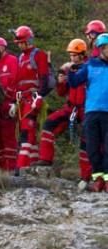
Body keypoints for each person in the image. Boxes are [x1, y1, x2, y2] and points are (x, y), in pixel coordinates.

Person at [34, 39, 90, 184]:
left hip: (86, 109)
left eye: (75, 54)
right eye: (71, 54)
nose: (72, 57)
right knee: (49, 124)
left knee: (87, 140)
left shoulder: (90, 67)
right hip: (71, 107)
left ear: (83, 54)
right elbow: (61, 92)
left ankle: (86, 176)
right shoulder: (68, 69)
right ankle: (45, 159)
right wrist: (60, 81)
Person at [68, 33, 108, 191]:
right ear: (101, 49)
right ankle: (98, 178)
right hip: (91, 113)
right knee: (91, 149)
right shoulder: (91, 65)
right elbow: (75, 82)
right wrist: (71, 70)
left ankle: (106, 180)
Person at [11, 25, 51, 174]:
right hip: (22, 100)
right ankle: (32, 164)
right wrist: (13, 103)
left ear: (28, 40)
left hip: (33, 99)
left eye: (21, 42)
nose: (20, 45)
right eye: (18, 43)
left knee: (27, 131)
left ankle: (20, 166)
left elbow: (44, 79)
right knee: (27, 131)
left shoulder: (38, 55)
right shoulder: (20, 58)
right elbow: (18, 82)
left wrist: (39, 97)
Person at [0, 36, 19, 171]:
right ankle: (2, 170)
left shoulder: (12, 61)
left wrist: (14, 103)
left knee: (9, 139)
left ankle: (11, 170)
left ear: (2, 47)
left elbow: (16, 81)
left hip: (9, 106)